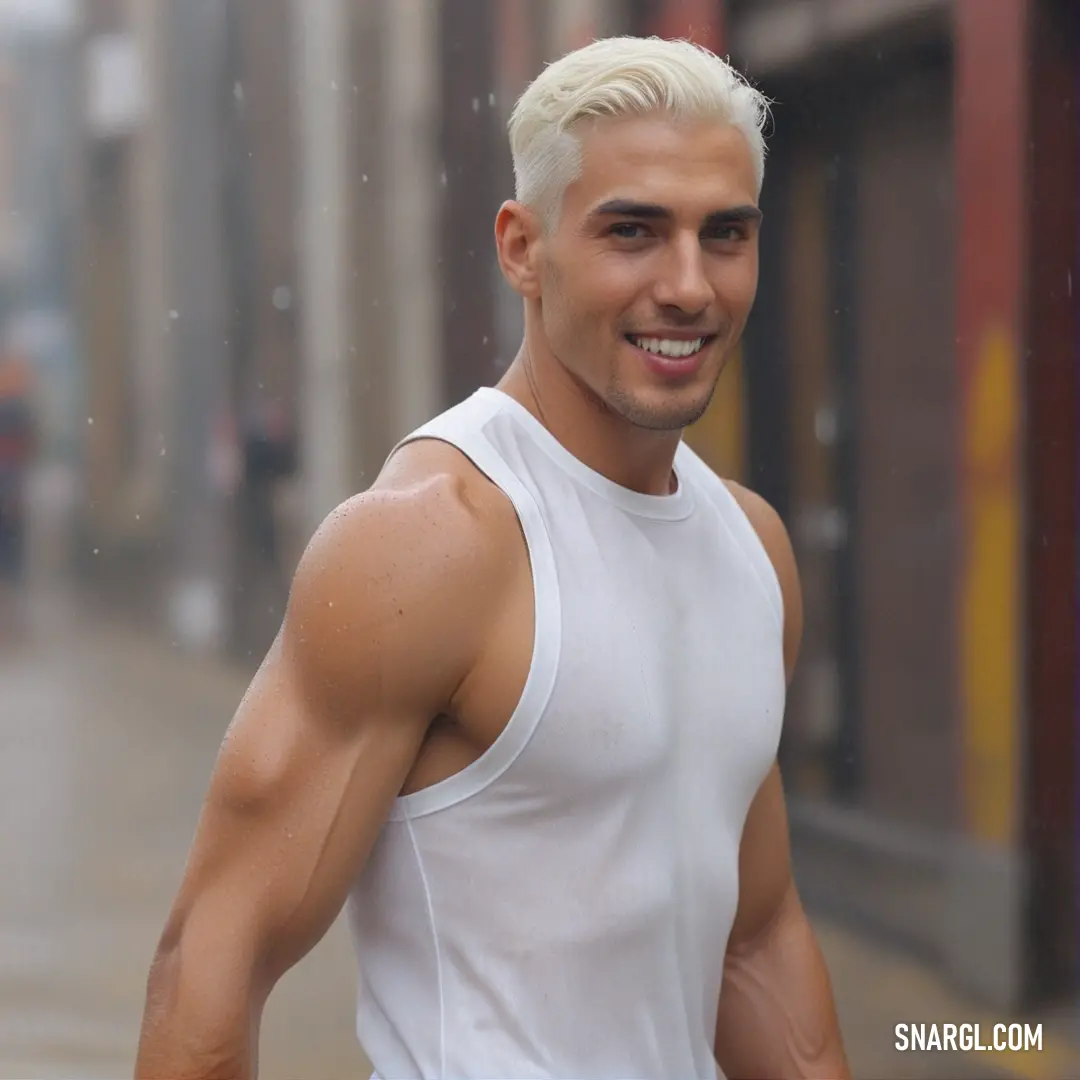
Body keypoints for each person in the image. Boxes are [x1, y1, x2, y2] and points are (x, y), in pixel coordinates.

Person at [135, 35, 850, 1080]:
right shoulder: (425, 545)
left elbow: (753, 939)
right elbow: (210, 964)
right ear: (523, 247)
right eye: (634, 233)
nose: (690, 285)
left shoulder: (754, 550)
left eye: (724, 234)